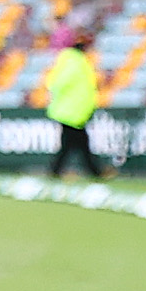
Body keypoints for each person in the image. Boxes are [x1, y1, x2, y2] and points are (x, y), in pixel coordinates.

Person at [39, 15, 107, 180]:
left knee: (76, 143)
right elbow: (60, 82)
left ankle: (88, 171)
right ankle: (91, 171)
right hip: (72, 111)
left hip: (72, 110)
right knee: (75, 143)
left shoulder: (72, 59)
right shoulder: (74, 60)